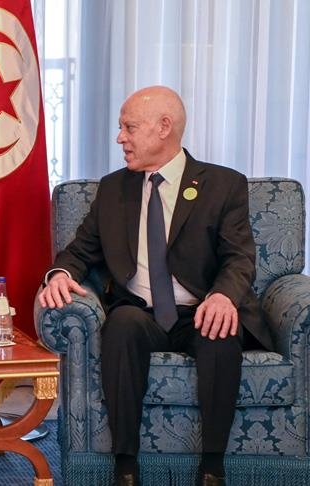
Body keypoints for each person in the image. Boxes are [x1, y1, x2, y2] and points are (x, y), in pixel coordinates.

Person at [37, 86, 272, 486]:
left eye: (129, 127)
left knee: (219, 330)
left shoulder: (222, 185)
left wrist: (222, 296)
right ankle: (125, 466)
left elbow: (239, 257)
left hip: (200, 309)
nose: (120, 138)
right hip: (140, 313)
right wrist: (60, 274)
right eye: (121, 128)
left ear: (164, 127)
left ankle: (212, 467)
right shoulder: (113, 189)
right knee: (122, 323)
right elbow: (79, 251)